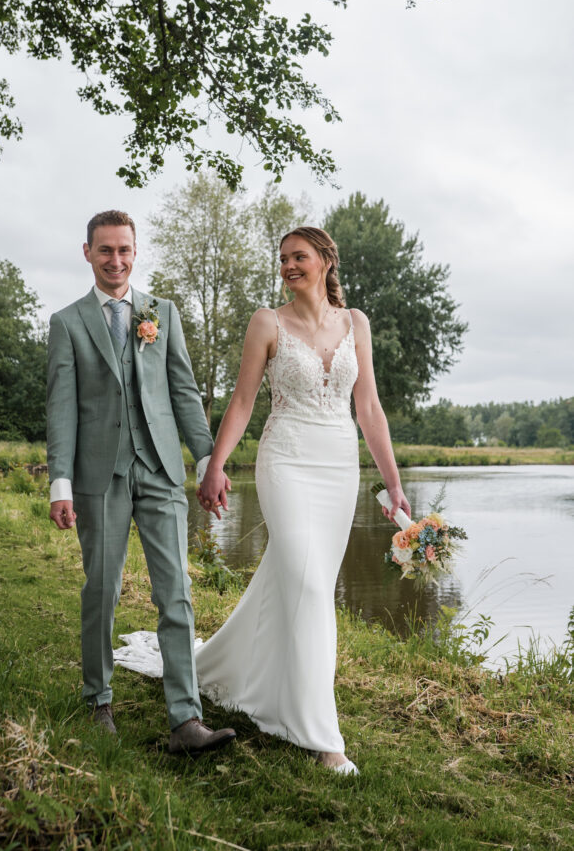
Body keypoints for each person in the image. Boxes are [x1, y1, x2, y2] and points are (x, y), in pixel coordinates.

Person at [115, 225, 410, 775]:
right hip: (287, 461)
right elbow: (244, 401)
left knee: (300, 580)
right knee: (308, 581)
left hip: (339, 468)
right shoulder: (266, 322)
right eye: (282, 260)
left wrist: (392, 486)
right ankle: (324, 738)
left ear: (325, 260)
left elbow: (368, 408)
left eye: (298, 257)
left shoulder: (357, 324)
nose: (288, 267)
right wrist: (216, 465)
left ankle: (252, 674)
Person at [46, 209, 236, 754]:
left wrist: (208, 461)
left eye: (124, 250)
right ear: (88, 253)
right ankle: (97, 702)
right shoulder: (68, 322)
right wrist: (60, 482)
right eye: (105, 250)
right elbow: (61, 409)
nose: (116, 260)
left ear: (135, 251)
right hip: (97, 475)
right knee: (101, 590)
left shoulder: (162, 314)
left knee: (175, 594)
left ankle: (185, 720)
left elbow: (184, 392)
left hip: (159, 470)